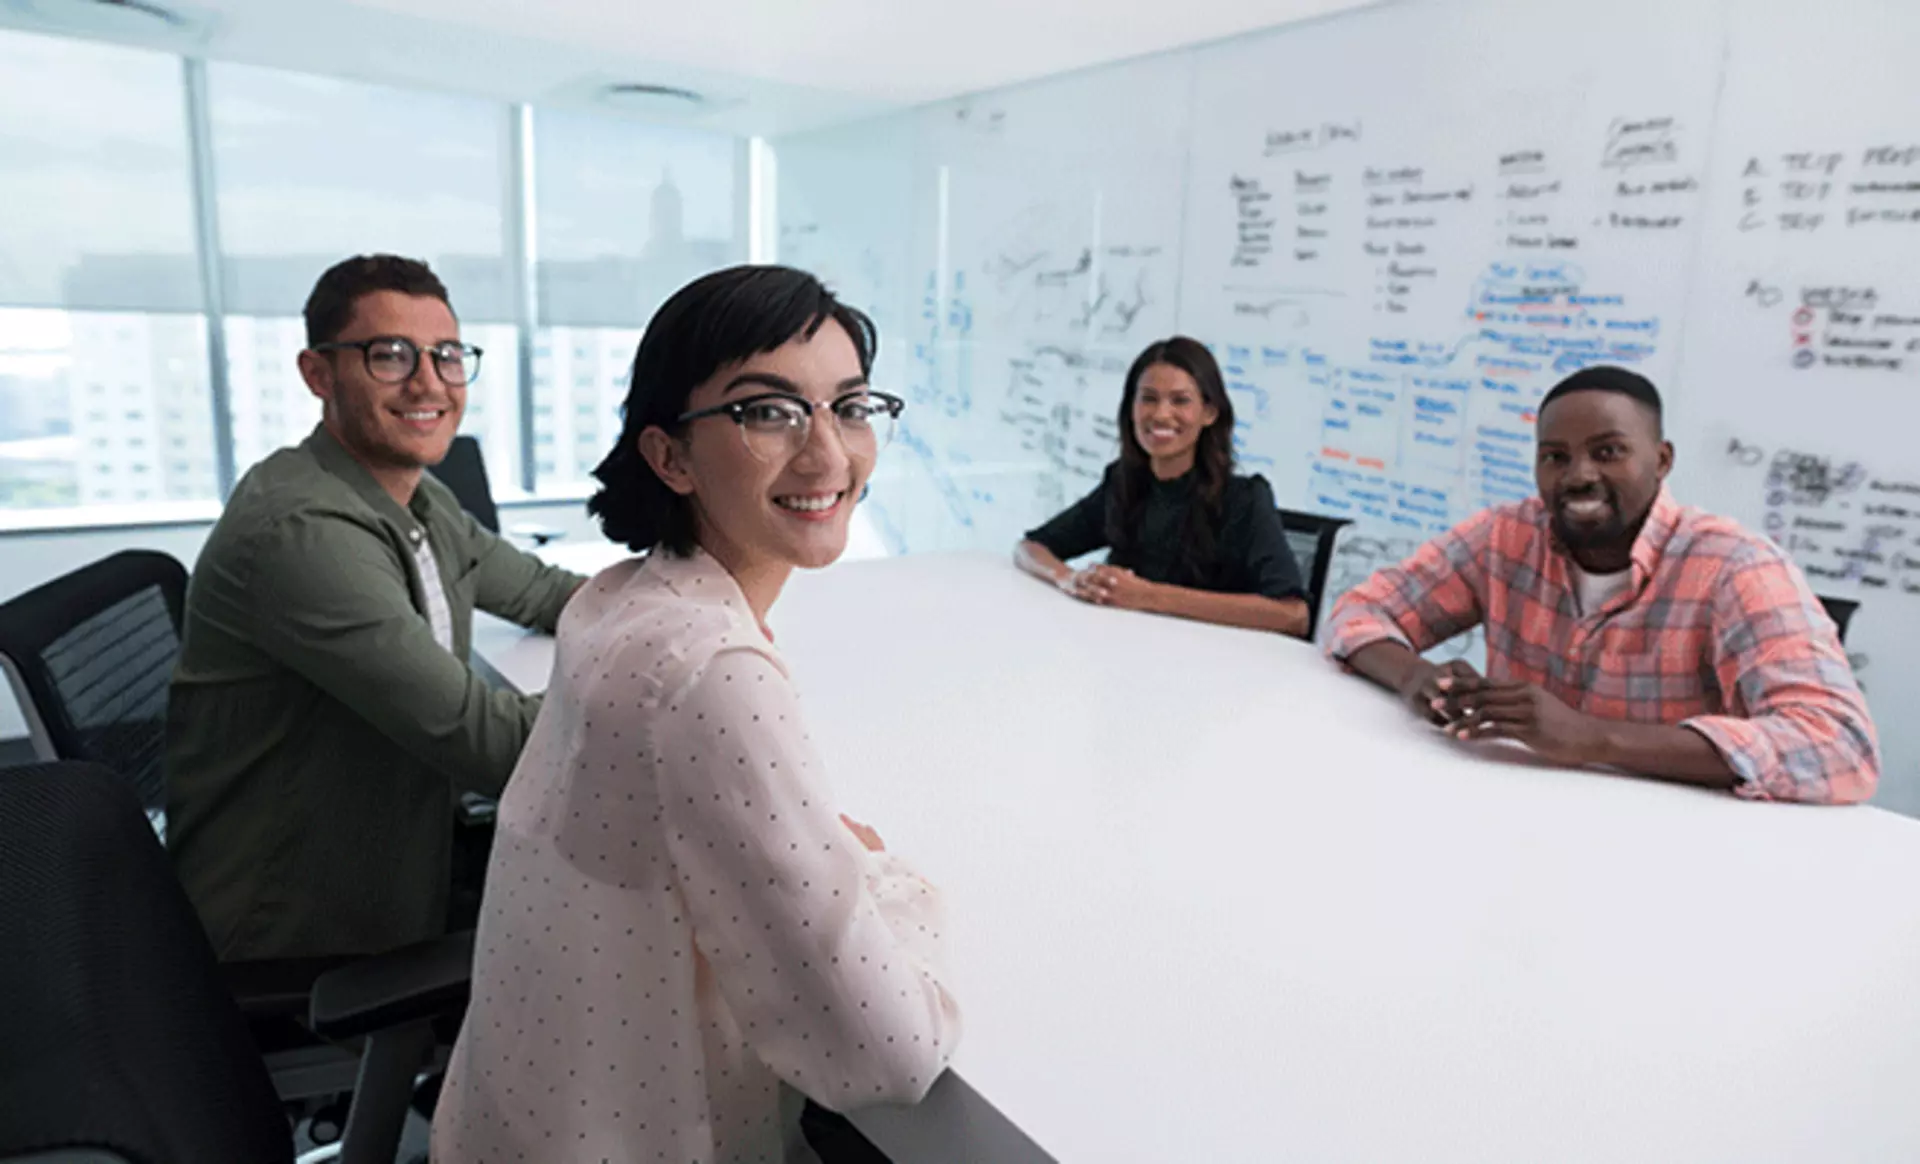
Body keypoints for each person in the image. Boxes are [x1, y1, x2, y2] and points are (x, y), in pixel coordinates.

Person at [433, 266, 961, 1164]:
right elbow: (886, 1053)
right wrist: (886, 880)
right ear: (669, 455)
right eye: (769, 411)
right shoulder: (710, 673)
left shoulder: (618, 602)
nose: (829, 454)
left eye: (851, 406)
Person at [166, 255, 586, 962]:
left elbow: (541, 591)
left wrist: (689, 613)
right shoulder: (302, 533)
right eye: (389, 355)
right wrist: (674, 685)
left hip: (399, 831)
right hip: (300, 922)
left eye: (446, 355)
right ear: (318, 374)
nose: (428, 382)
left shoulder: (415, 494)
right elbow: (494, 746)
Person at [1324, 365, 1877, 804]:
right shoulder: (1506, 537)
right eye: (1555, 457)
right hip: (1511, 815)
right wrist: (1418, 676)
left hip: (1675, 842)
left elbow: (1838, 747)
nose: (1579, 475)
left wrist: (1593, 737)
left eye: (1608, 452)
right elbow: (1358, 613)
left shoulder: (1735, 567)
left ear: (1661, 461)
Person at [1015, 336, 1311, 637]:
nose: (1160, 414)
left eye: (1180, 400)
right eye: (1148, 398)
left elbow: (1293, 615)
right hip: (1129, 652)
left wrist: (1148, 596)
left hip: (1213, 666)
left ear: (1209, 412)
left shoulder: (1245, 500)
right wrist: (1067, 579)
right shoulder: (1122, 483)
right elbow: (1030, 547)